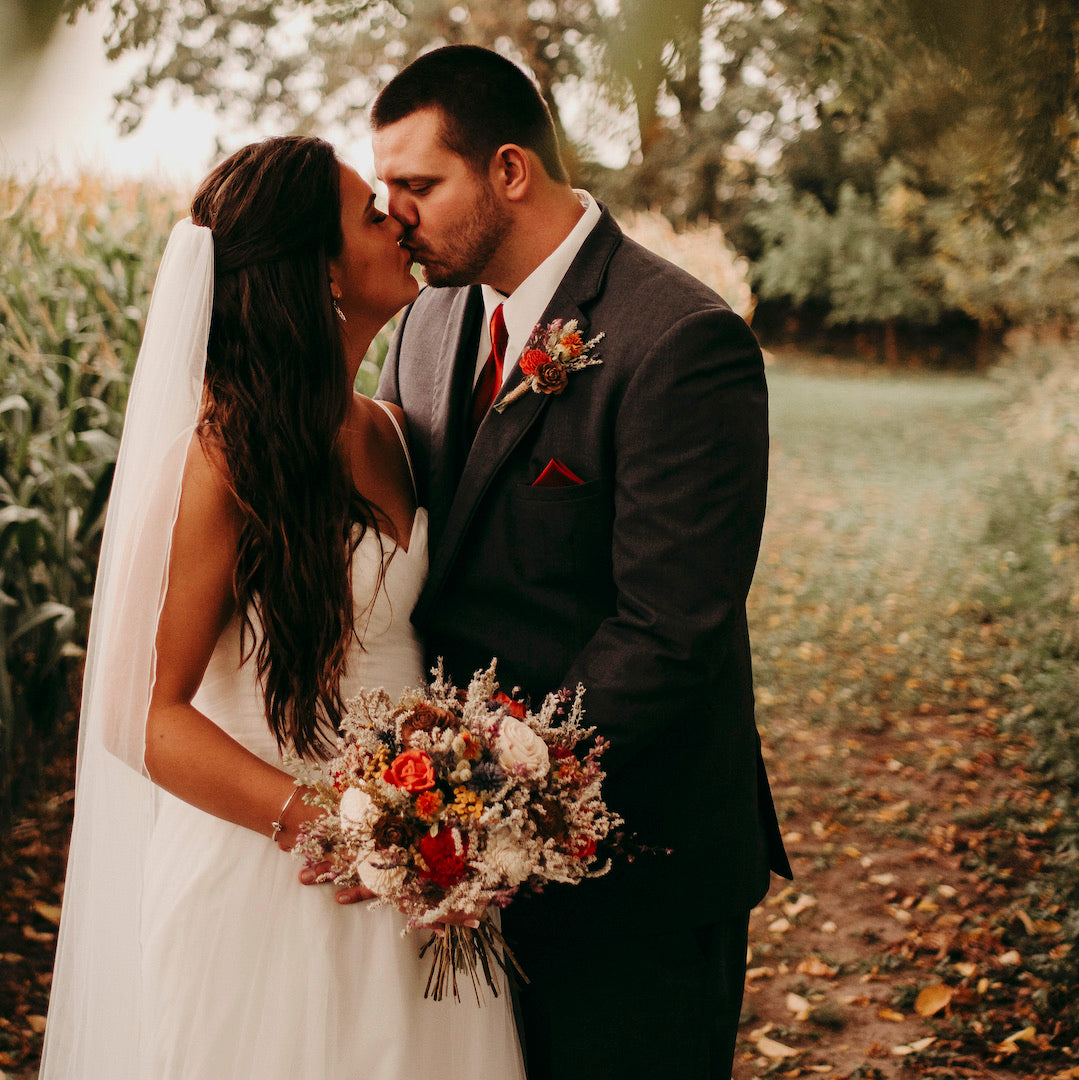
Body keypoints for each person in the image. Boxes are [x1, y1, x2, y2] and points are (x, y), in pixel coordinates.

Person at [40, 135, 525, 1080]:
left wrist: (436, 826)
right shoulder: (218, 458)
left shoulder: (386, 426)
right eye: (369, 212)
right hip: (269, 874)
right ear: (323, 273)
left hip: (417, 869)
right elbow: (139, 715)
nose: (399, 218)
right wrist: (345, 831)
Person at [369, 46, 793, 1080]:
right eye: (384, 189)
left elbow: (669, 628)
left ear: (509, 169)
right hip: (459, 868)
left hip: (633, 865)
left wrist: (489, 800)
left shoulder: (680, 339)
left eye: (417, 185)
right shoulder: (426, 324)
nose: (395, 216)